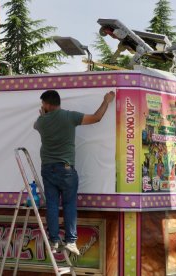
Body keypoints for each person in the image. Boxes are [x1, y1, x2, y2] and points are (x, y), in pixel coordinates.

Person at [34, 90, 115, 256]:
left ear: (48, 104)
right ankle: (71, 241)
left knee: (52, 204)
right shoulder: (69, 117)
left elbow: (36, 125)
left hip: (47, 169)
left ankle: (55, 240)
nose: (42, 107)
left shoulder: (41, 122)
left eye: (43, 104)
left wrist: (43, 115)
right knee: (69, 204)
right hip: (66, 169)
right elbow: (96, 118)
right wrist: (106, 101)